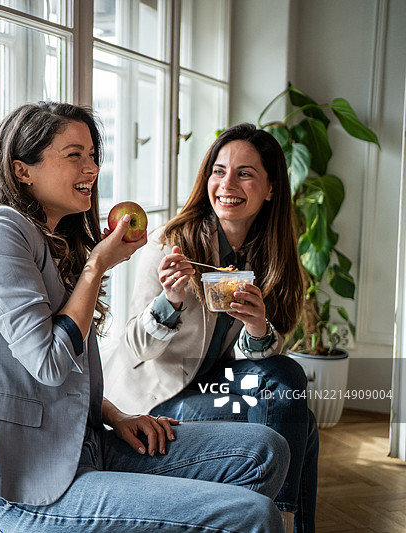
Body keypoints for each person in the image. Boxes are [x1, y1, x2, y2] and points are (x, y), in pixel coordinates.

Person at [0, 104, 290, 532]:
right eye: (74, 155)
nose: (92, 168)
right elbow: (49, 363)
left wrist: (116, 415)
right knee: (254, 515)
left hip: (82, 445)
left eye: (92, 155)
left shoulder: (56, 241)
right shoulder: (0, 229)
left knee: (265, 450)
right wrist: (97, 266)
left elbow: (66, 375)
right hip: (25, 483)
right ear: (22, 170)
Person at [103, 123, 318, 533]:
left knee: (287, 376)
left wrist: (257, 327)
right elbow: (133, 348)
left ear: (271, 189)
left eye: (245, 173)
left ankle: (275, 520)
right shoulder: (171, 244)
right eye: (219, 171)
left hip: (209, 385)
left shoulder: (266, 254)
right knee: (301, 424)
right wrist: (169, 302)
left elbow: (264, 352)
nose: (227, 184)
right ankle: (281, 521)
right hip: (158, 398)